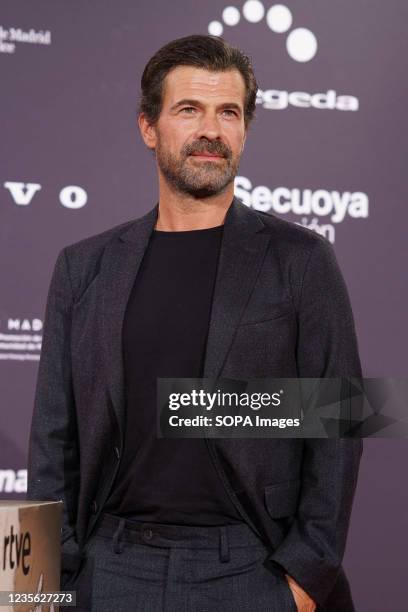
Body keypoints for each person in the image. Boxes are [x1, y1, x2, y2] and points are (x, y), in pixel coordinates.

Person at [27, 34, 362, 611]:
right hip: (106, 570)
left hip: (250, 569)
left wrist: (302, 585)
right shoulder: (83, 268)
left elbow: (338, 424)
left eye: (228, 112)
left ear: (245, 130)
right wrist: (29, 594)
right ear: (148, 128)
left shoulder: (302, 260)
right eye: (189, 110)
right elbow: (51, 444)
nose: (211, 130)